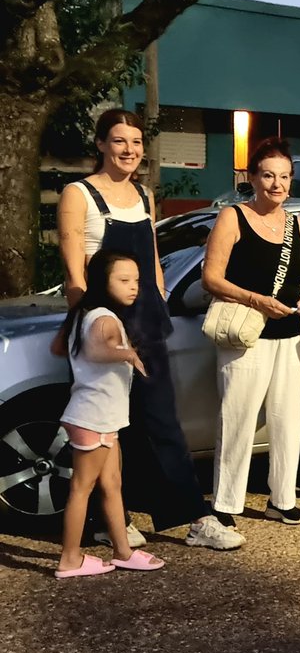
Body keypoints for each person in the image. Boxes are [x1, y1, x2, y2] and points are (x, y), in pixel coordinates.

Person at [57, 108, 242, 551]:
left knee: (159, 420)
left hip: (147, 323)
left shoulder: (143, 194)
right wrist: (91, 330)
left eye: (136, 143)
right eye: (119, 141)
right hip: (104, 327)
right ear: (101, 144)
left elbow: (152, 262)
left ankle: (193, 518)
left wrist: (159, 302)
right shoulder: (78, 194)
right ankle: (108, 521)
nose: (129, 151)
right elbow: (74, 272)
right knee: (107, 427)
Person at [202, 137, 300, 529]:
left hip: (290, 334)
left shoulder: (297, 223)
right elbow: (212, 278)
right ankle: (226, 502)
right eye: (268, 175)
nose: (277, 184)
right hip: (246, 336)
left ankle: (282, 499)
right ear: (252, 178)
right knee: (237, 419)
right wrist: (256, 300)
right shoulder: (232, 217)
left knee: (288, 422)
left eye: (285, 176)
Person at [54, 252, 165, 578]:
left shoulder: (84, 314)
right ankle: (70, 559)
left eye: (135, 280)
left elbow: (59, 349)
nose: (134, 287)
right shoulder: (104, 318)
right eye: (123, 280)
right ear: (103, 282)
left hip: (102, 417)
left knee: (113, 484)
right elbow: (96, 350)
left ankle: (122, 551)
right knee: (81, 489)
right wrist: (128, 353)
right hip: (94, 418)